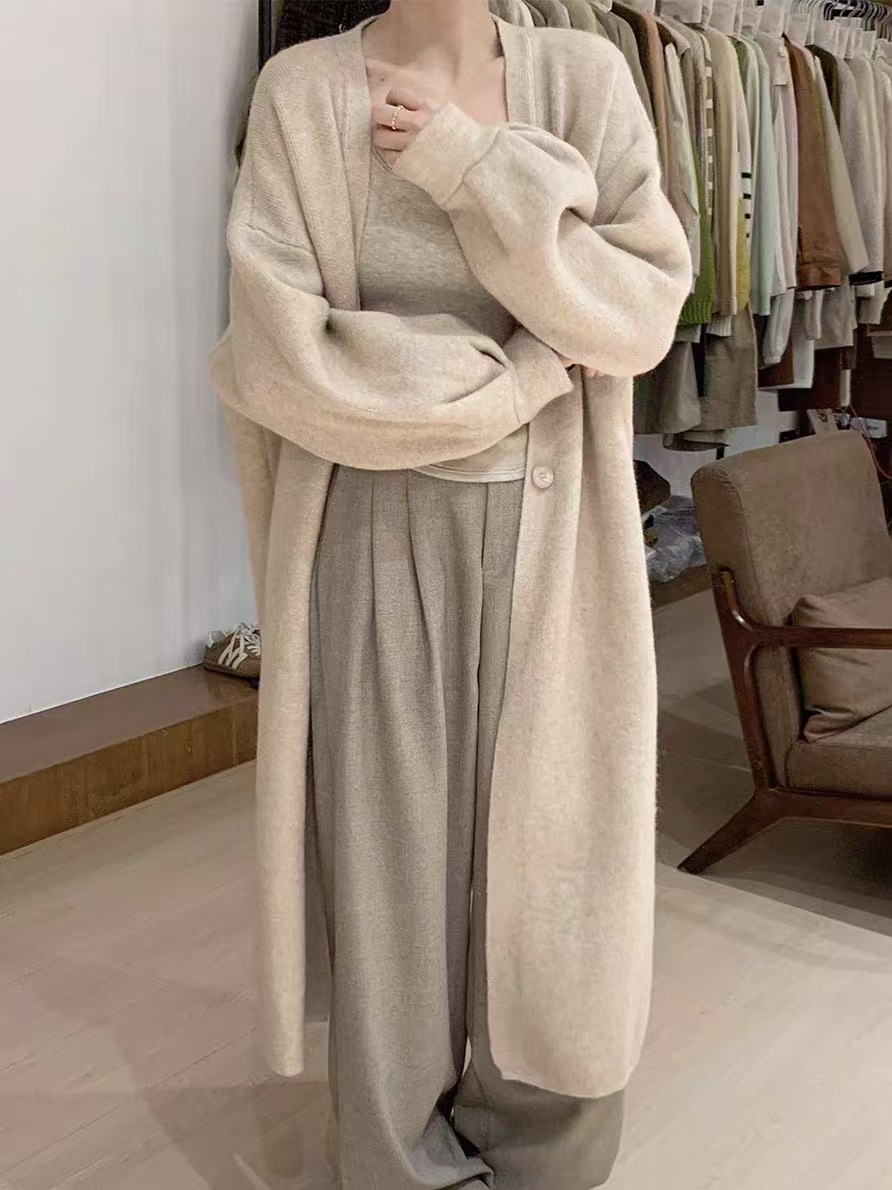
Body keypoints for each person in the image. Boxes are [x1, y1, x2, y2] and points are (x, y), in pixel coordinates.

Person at [211, 1, 692, 1186]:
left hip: (561, 535)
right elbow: (279, 358)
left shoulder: (584, 76)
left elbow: (637, 315)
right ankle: (397, 1159)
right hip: (370, 529)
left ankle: (544, 1152)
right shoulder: (302, 92)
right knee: (387, 865)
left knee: (558, 852)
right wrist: (522, 376)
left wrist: (470, 165)